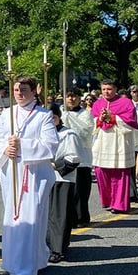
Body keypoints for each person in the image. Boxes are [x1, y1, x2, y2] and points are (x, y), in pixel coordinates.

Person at [0, 75, 58, 275]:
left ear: (34, 91)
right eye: (16, 89)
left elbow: (50, 145)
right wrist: (5, 149)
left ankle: (27, 269)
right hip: (11, 171)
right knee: (14, 217)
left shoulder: (43, 115)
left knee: (31, 218)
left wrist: (22, 145)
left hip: (35, 173)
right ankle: (14, 263)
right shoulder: (8, 114)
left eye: (24, 89)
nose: (19, 93)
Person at [91, 79, 138, 214]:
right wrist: (100, 119)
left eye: (109, 89)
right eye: (104, 89)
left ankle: (119, 204)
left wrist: (113, 117)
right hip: (102, 142)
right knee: (101, 172)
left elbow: (131, 123)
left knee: (119, 175)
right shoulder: (97, 103)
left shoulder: (126, 102)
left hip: (119, 143)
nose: (106, 92)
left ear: (115, 89)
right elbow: (91, 123)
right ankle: (107, 201)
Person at [47, 103, 82, 263]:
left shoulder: (68, 134)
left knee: (59, 215)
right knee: (45, 215)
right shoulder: (43, 135)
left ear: (58, 117)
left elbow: (73, 158)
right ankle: (46, 245)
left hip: (62, 179)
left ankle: (58, 249)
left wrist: (53, 164)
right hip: (43, 179)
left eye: (52, 118)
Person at [60, 88, 94, 226]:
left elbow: (86, 132)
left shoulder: (85, 114)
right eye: (68, 97)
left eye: (74, 97)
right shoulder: (62, 113)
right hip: (66, 156)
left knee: (81, 190)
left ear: (80, 99)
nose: (71, 99)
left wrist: (70, 119)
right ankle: (70, 218)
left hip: (82, 157)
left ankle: (82, 217)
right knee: (69, 190)